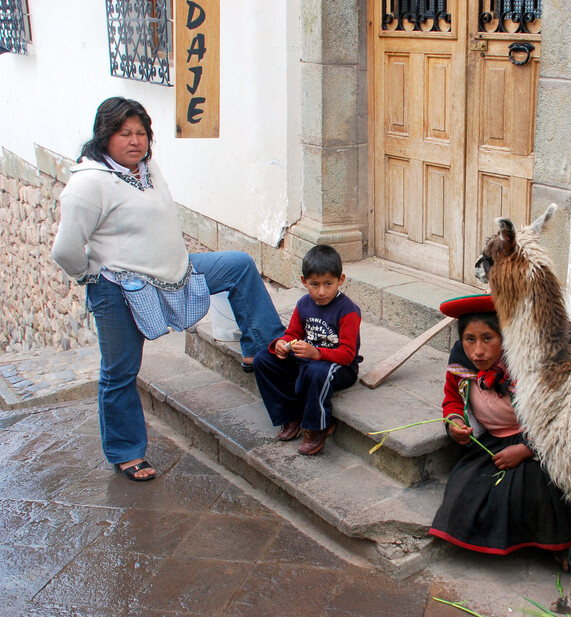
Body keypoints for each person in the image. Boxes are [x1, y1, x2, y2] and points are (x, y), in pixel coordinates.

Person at [52, 97, 285, 482]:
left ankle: (261, 350)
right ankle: (127, 451)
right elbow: (65, 251)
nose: (135, 141)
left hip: (178, 271)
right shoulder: (88, 184)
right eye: (124, 133)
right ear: (105, 136)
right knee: (120, 371)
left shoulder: (147, 168)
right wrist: (92, 275)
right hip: (119, 289)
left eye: (141, 133)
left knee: (239, 266)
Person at [429, 294, 571, 565]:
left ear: (506, 338)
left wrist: (524, 450)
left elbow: (555, 416)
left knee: (533, 481)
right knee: (466, 485)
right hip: (492, 443)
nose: (478, 351)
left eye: (488, 338)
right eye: (470, 340)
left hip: (538, 443)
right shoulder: (460, 369)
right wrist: (456, 424)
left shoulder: (530, 369)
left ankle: (557, 543)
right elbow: (451, 400)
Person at [252, 244, 363, 455]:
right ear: (304, 281)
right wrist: (282, 345)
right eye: (314, 284)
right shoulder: (304, 304)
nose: (321, 291)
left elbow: (348, 354)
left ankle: (318, 426)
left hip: (340, 367)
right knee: (263, 359)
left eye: (328, 284)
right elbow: (292, 333)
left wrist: (317, 353)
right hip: (309, 360)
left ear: (341, 280)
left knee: (316, 370)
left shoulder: (348, 311)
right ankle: (289, 415)